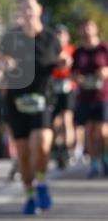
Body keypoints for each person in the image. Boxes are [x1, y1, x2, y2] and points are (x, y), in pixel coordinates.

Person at [0, 0, 61, 215]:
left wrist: (64, 64)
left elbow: (62, 62)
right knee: (22, 153)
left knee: (41, 144)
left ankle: (41, 182)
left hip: (43, 99)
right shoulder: (11, 37)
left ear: (39, 9)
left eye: (31, 8)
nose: (27, 13)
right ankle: (29, 194)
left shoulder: (50, 38)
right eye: (23, 9)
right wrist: (3, 63)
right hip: (16, 101)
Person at [71, 18, 108, 178]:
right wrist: (77, 78)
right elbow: (73, 71)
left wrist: (105, 72)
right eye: (84, 27)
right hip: (84, 96)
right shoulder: (79, 51)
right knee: (89, 131)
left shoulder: (103, 48)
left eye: (89, 27)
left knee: (103, 131)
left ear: (95, 29)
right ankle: (94, 163)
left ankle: (106, 158)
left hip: (102, 95)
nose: (87, 30)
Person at [50, 24, 76, 169]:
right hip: (53, 88)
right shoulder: (51, 50)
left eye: (62, 34)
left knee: (67, 119)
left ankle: (68, 149)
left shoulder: (72, 50)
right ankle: (58, 148)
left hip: (68, 87)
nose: (59, 37)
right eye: (57, 34)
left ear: (67, 36)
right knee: (55, 122)